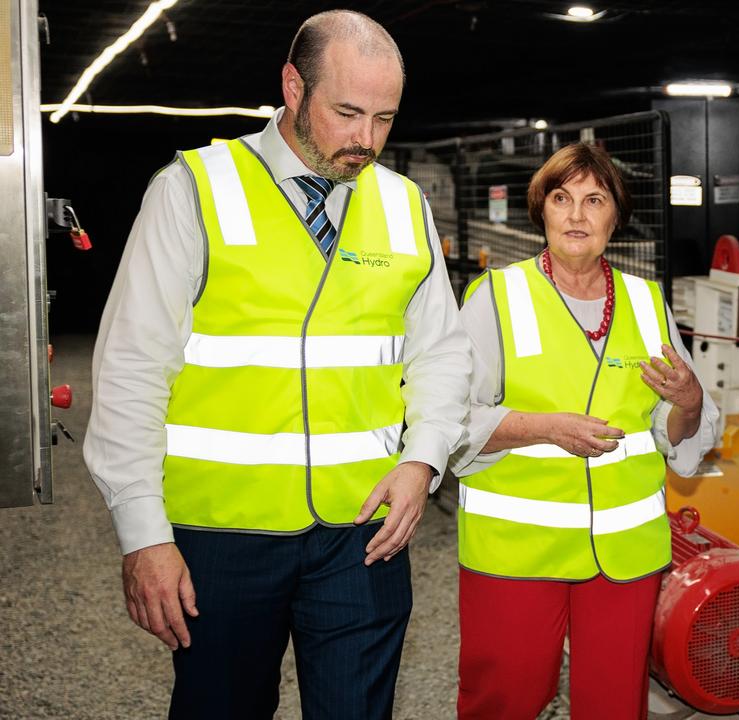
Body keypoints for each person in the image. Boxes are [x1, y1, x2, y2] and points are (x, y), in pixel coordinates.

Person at [83, 11, 470, 719]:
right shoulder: (194, 190)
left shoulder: (403, 204)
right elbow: (132, 370)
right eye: (347, 111)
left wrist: (424, 461)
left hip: (364, 529)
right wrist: (142, 534)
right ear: (293, 87)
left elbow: (442, 353)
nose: (366, 140)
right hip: (222, 536)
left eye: (384, 118)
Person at [450, 142, 719, 719]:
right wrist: (543, 428)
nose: (576, 215)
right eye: (561, 198)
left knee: (615, 705)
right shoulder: (496, 297)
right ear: (541, 211)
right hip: (516, 553)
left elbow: (676, 431)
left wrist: (691, 402)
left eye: (594, 200)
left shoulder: (647, 304)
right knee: (506, 696)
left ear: (614, 217)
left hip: (624, 557)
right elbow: (448, 419)